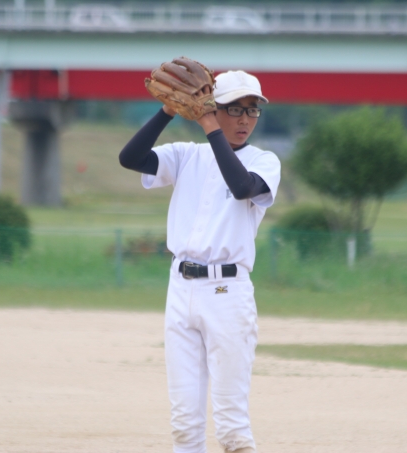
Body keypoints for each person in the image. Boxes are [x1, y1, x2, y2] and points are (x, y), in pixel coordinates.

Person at [119, 69, 281, 453]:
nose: (245, 119)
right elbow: (130, 158)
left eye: (252, 109)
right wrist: (168, 110)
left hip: (227, 294)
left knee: (231, 426)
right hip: (181, 290)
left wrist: (210, 124)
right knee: (184, 423)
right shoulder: (187, 155)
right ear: (211, 106)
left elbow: (241, 187)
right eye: (234, 108)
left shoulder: (264, 160)